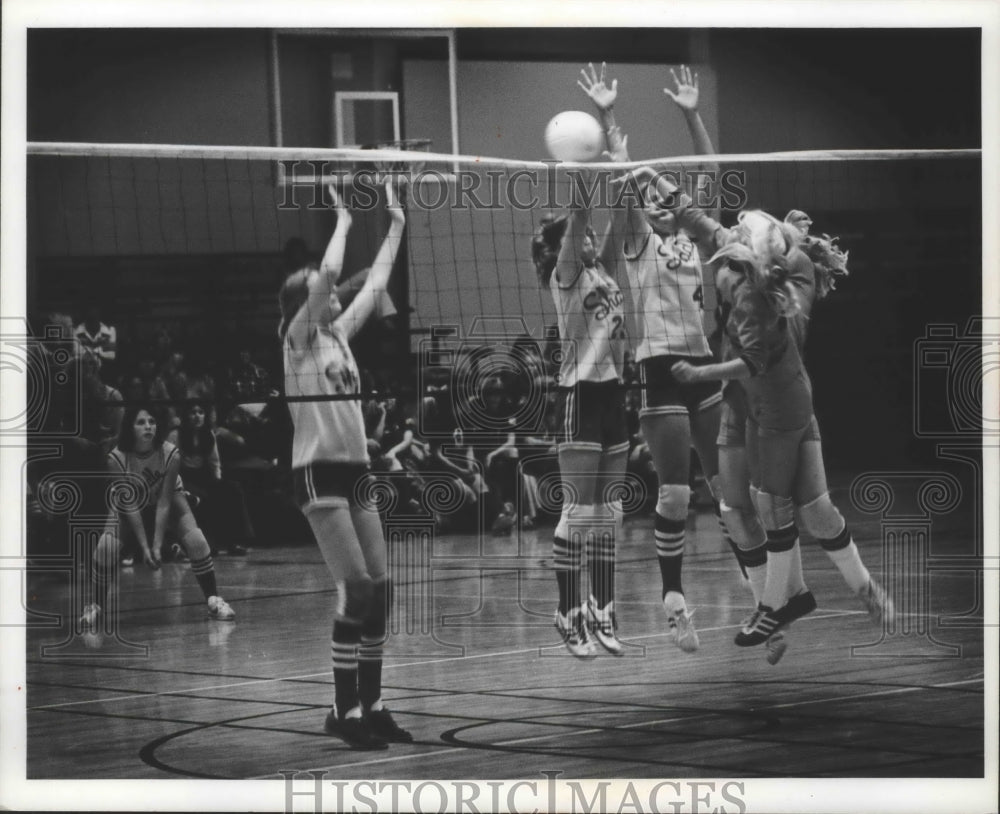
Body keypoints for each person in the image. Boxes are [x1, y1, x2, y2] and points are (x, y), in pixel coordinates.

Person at [667, 203, 893, 652]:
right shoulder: (754, 268)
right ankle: (780, 607)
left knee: (797, 508)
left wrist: (697, 376)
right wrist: (657, 183)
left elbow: (752, 360)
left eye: (742, 231)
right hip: (743, 403)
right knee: (740, 511)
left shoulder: (778, 288)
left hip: (777, 401)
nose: (731, 231)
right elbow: (702, 221)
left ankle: (804, 601)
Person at [579, 63, 720, 652]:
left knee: (729, 487)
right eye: (654, 194)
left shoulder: (690, 233)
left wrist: (691, 113)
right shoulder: (638, 239)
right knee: (677, 493)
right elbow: (624, 181)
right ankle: (674, 602)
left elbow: (710, 174)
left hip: (705, 361)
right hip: (660, 366)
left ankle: (764, 593)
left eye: (666, 193)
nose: (661, 199)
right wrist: (611, 120)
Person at [279, 179, 411, 750]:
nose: (328, 288)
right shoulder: (298, 339)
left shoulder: (338, 334)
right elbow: (330, 276)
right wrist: (344, 222)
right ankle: (343, 707)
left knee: (378, 588)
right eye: (317, 287)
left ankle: (374, 703)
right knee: (354, 586)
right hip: (319, 472)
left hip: (356, 471)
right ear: (304, 300)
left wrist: (398, 222)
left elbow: (377, 280)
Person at [531, 153, 629, 657]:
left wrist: (624, 168)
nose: (589, 241)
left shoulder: (604, 271)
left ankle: (603, 608)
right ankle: (567, 611)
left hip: (615, 395)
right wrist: (583, 174)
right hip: (579, 396)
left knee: (610, 513)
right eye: (579, 236)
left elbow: (621, 219)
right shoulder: (566, 275)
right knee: (579, 513)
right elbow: (583, 218)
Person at [79, 403, 237, 631]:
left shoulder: (170, 453)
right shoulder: (116, 458)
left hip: (166, 498)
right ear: (130, 427)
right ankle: (95, 606)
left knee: (197, 540)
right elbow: (130, 506)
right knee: (105, 547)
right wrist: (144, 547)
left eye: (152, 422)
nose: (148, 427)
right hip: (130, 504)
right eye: (141, 422)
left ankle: (214, 600)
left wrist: (156, 546)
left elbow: (164, 503)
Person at [168, 402, 253, 556]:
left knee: (232, 490)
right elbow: (170, 465)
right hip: (182, 478)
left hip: (204, 476)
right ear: (186, 416)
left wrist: (218, 482)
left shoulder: (208, 434)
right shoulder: (176, 435)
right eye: (193, 412)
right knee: (201, 497)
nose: (197, 416)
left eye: (200, 412)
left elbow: (215, 463)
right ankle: (208, 543)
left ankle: (235, 541)